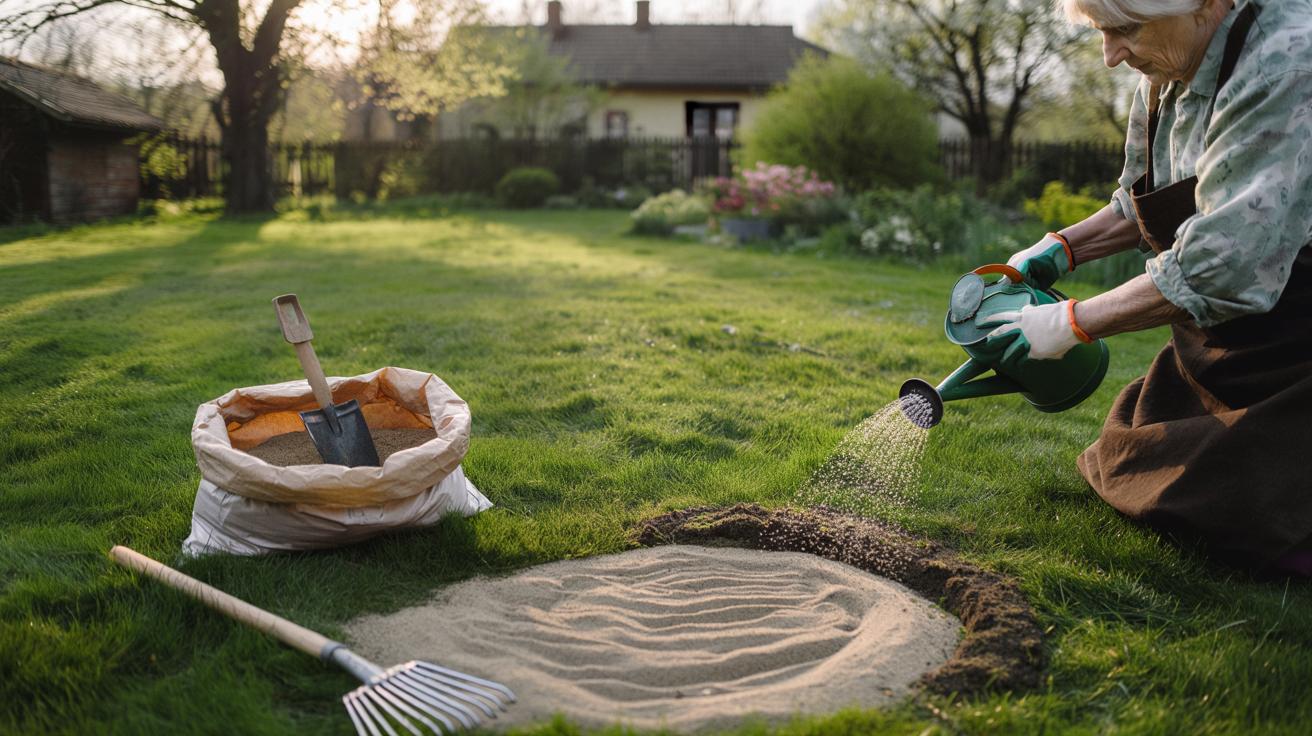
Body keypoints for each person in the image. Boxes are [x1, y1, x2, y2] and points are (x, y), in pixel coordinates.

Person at [982, 0, 1312, 573]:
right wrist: (1061, 248)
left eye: (1125, 30)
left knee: (1237, 516)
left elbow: (1225, 263)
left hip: (1298, 334)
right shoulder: (1167, 68)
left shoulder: (1287, 67)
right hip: (1225, 339)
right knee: (1126, 462)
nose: (1110, 57)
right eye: (1101, 33)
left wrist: (1071, 323)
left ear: (1208, 4)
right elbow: (1142, 195)